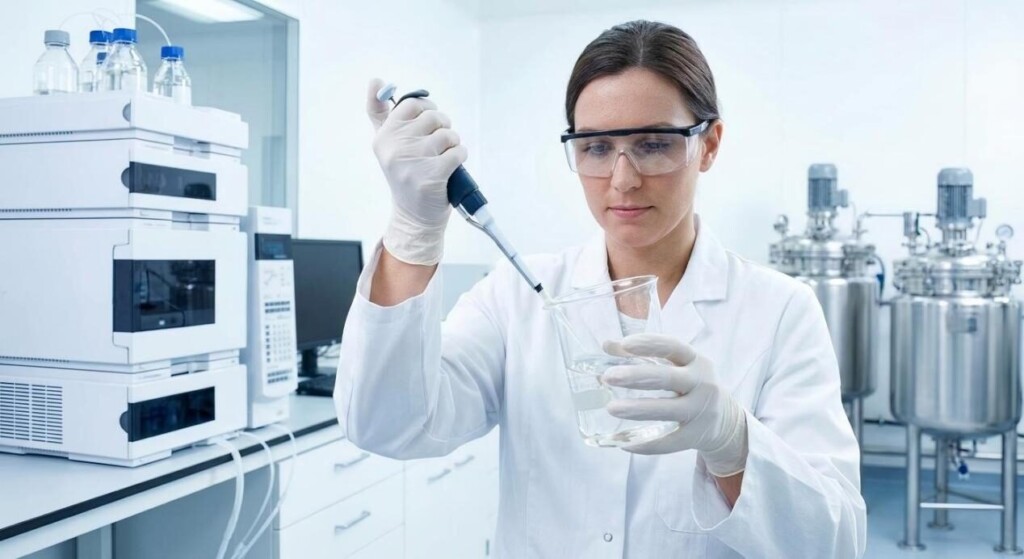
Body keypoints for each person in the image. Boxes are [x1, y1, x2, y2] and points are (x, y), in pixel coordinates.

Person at [336, 19, 867, 558]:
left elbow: (834, 542)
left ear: (708, 145)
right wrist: (413, 230)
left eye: (653, 145)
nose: (623, 179)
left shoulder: (780, 312)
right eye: (595, 147)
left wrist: (732, 442)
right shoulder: (517, 297)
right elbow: (387, 425)